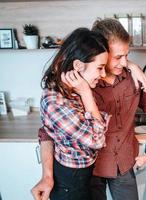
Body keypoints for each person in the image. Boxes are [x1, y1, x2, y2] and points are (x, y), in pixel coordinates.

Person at [31, 18, 146, 200]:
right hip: (92, 171)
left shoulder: (132, 75)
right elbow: (48, 131)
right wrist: (47, 175)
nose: (124, 62)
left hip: (123, 163)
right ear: (102, 51)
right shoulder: (83, 85)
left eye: (127, 56)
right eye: (117, 57)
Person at [37, 28, 111, 200]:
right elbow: (97, 140)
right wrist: (86, 93)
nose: (103, 74)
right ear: (78, 65)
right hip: (71, 182)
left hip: (85, 174)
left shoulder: (72, 88)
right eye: (100, 68)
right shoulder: (56, 101)